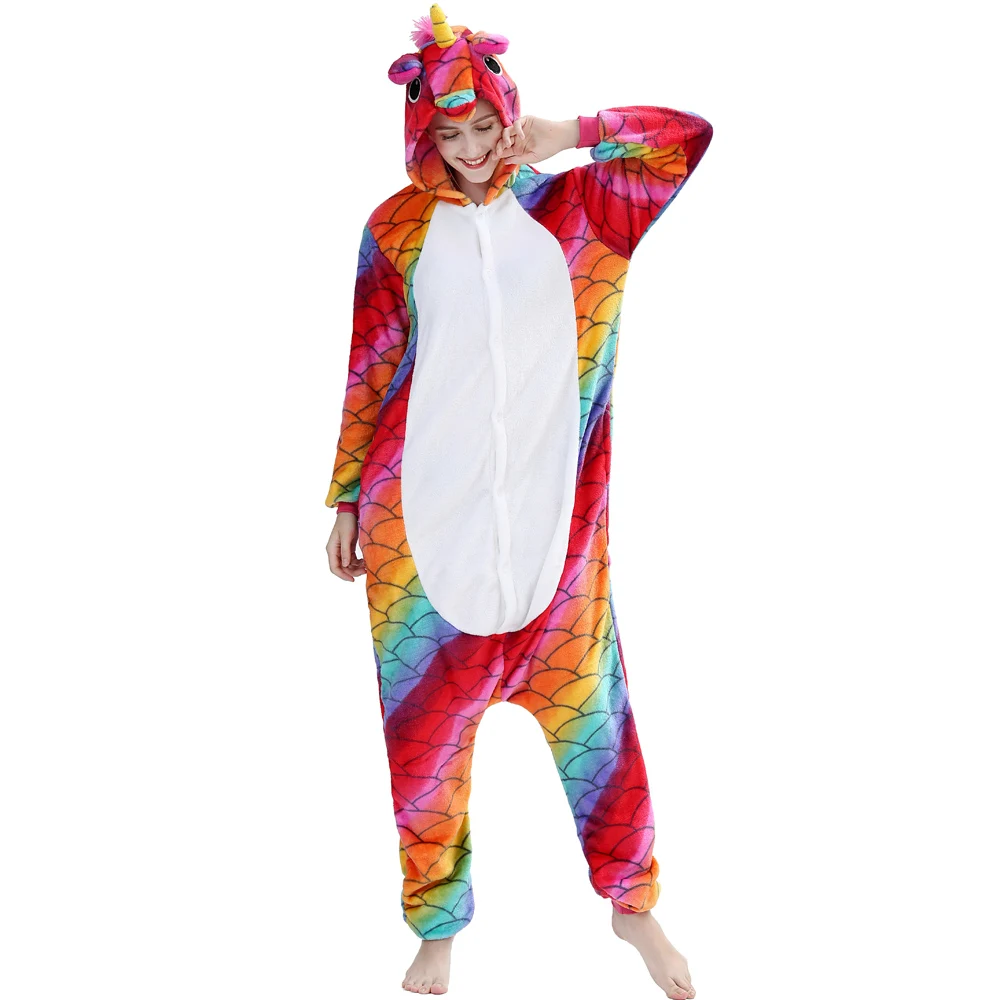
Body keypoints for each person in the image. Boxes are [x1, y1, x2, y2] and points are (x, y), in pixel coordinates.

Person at [325, 6, 713, 996]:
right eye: (446, 132)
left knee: (600, 733)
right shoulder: (393, 230)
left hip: (557, 542)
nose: (466, 149)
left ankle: (635, 910)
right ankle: (436, 930)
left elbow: (685, 139)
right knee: (423, 752)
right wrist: (343, 498)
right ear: (420, 132)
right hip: (419, 536)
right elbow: (371, 366)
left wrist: (572, 134)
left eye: (482, 126)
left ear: (508, 114)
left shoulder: (587, 210)